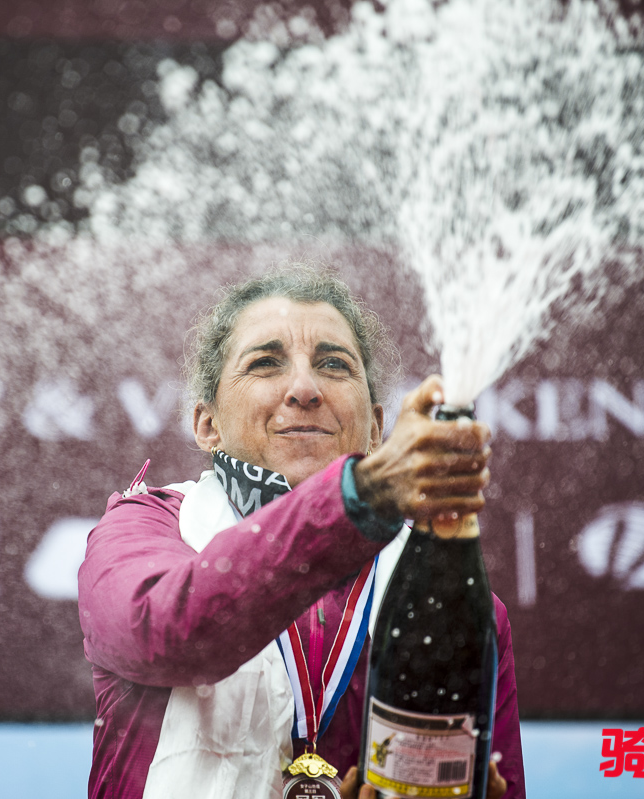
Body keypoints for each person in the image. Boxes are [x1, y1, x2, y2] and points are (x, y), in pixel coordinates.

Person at [78, 267, 524, 798]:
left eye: (334, 365)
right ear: (206, 423)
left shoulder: (455, 601)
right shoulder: (146, 525)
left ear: (376, 425)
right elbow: (167, 633)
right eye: (265, 363)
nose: (305, 389)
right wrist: (362, 496)